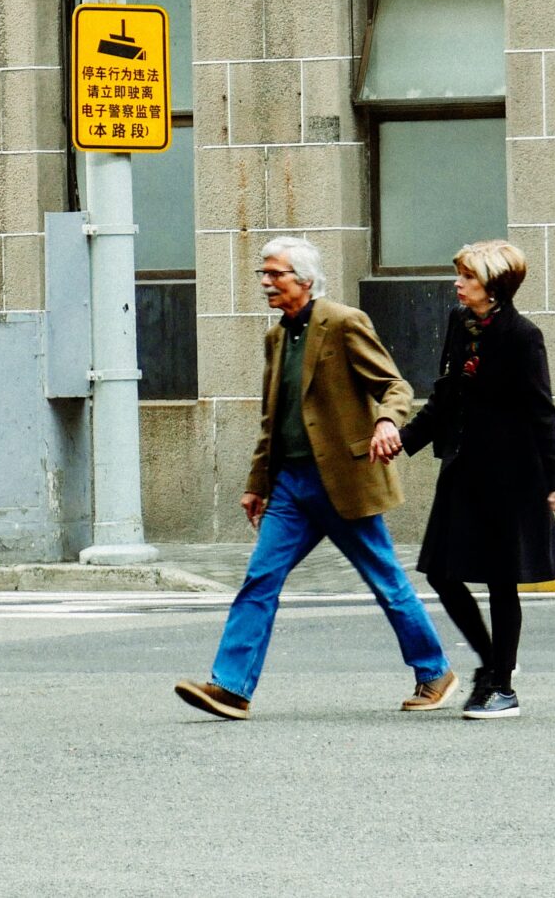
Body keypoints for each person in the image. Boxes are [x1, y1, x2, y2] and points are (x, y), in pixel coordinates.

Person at [175, 237, 455, 721]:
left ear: (303, 280)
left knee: (386, 582)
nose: (265, 282)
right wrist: (256, 483)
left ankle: (434, 672)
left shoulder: (343, 323)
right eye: (263, 274)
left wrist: (389, 421)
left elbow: (394, 385)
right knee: (259, 579)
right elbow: (273, 418)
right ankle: (231, 688)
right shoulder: (276, 338)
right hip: (291, 486)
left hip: (344, 479)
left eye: (274, 274)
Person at [381, 239, 555, 720]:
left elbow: (542, 411)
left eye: (467, 277)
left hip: (512, 475)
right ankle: (491, 664)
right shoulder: (459, 325)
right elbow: (444, 395)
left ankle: (502, 686)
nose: (457, 283)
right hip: (463, 468)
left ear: (493, 286)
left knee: (501, 582)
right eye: (460, 275)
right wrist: (402, 440)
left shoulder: (523, 336)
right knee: (443, 573)